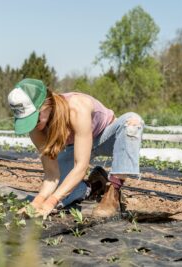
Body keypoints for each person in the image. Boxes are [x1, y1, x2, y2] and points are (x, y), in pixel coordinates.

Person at [8, 78, 144, 218]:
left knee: (132, 122)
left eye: (35, 118)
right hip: (74, 147)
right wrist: (38, 201)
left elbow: (81, 166)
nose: (33, 125)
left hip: (105, 137)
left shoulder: (76, 107)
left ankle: (113, 192)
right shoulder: (36, 129)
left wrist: (52, 201)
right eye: (27, 121)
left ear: (47, 104)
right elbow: (51, 174)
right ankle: (94, 185)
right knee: (62, 196)